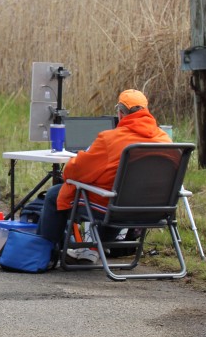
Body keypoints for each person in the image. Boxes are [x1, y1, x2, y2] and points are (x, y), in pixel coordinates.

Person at [35, 89, 171, 262]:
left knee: (54, 194)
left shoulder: (110, 139)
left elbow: (76, 172)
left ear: (120, 113)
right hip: (156, 210)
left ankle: (43, 252)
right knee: (119, 198)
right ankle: (93, 248)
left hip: (116, 208)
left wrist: (72, 165)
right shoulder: (165, 139)